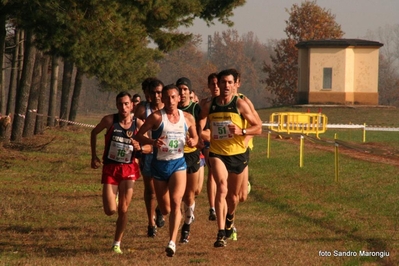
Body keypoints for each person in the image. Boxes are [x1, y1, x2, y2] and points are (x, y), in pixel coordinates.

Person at [199, 69, 262, 248]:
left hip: (238, 153)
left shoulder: (241, 104)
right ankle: (220, 233)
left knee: (234, 198)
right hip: (218, 153)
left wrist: (242, 132)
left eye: (229, 82)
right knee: (222, 187)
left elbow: (258, 127)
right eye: (223, 82)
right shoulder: (210, 104)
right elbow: (201, 119)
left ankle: (230, 217)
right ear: (217, 84)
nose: (226, 86)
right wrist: (198, 133)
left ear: (235, 84)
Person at [134, 84, 198, 257]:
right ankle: (163, 216)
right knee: (165, 209)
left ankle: (172, 242)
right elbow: (138, 135)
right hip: (159, 166)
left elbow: (195, 136)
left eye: (173, 97)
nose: (170, 101)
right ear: (162, 99)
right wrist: (152, 143)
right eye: (167, 97)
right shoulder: (156, 117)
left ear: (179, 99)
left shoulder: (188, 117)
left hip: (178, 164)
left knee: (177, 202)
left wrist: (193, 141)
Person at [90, 91, 150, 254]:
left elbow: (149, 145)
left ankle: (117, 243)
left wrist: (141, 148)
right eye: (120, 104)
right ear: (116, 106)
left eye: (126, 104)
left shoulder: (138, 124)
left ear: (131, 105)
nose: (123, 107)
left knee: (123, 209)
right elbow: (94, 133)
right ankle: (113, 196)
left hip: (129, 168)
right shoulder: (109, 120)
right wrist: (93, 156)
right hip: (111, 168)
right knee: (110, 210)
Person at [134, 78, 165, 237]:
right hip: (149, 154)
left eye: (159, 92)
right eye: (153, 93)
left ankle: (160, 209)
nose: (157, 96)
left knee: (165, 190)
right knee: (151, 190)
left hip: (166, 154)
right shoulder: (141, 109)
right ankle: (150, 222)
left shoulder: (168, 108)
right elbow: (134, 129)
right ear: (148, 94)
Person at [176, 77, 201, 244]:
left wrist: (195, 140)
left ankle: (186, 226)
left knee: (190, 195)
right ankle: (176, 223)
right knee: (176, 195)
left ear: (190, 92)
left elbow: (202, 130)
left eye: (185, 89)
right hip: (174, 155)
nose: (182, 92)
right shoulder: (170, 108)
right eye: (180, 90)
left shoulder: (196, 109)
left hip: (192, 154)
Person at [199, 73, 219, 221]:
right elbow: (199, 123)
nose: (216, 87)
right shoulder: (205, 103)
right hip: (209, 140)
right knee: (212, 173)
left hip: (226, 143)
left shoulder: (230, 102)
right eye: (213, 84)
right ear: (209, 86)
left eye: (218, 83)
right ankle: (212, 208)